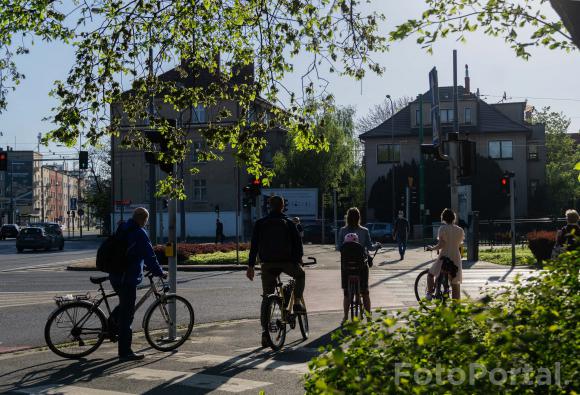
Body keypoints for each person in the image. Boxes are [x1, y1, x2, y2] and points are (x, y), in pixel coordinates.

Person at [246, 195, 305, 347]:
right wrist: (298, 259)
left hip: (267, 265)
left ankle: (265, 334)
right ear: (282, 206)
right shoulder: (289, 223)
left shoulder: (260, 223)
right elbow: (298, 244)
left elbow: (254, 246)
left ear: (269, 206)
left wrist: (251, 266)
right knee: (300, 275)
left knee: (267, 297)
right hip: (287, 263)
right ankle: (297, 302)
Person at [109, 207, 165, 361]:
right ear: (142, 218)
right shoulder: (139, 233)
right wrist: (159, 272)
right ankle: (125, 352)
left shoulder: (123, 227)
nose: (146, 223)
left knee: (124, 305)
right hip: (126, 278)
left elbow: (131, 253)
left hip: (115, 274)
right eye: (146, 220)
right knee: (128, 315)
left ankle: (112, 322)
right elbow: (149, 255)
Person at [337, 207, 380, 322]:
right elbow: (370, 247)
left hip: (346, 266)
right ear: (359, 218)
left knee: (346, 293)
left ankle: (346, 316)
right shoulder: (364, 231)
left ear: (347, 218)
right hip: (361, 265)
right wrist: (377, 245)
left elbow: (338, 248)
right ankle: (369, 317)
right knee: (365, 292)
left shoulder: (342, 230)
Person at [426, 208, 464, 300]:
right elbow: (460, 243)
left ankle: (430, 293)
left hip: (445, 256)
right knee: (455, 282)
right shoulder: (460, 230)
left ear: (443, 218)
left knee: (430, 274)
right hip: (456, 257)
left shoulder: (442, 228)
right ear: (453, 218)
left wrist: (432, 248)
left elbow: (442, 244)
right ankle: (456, 306)